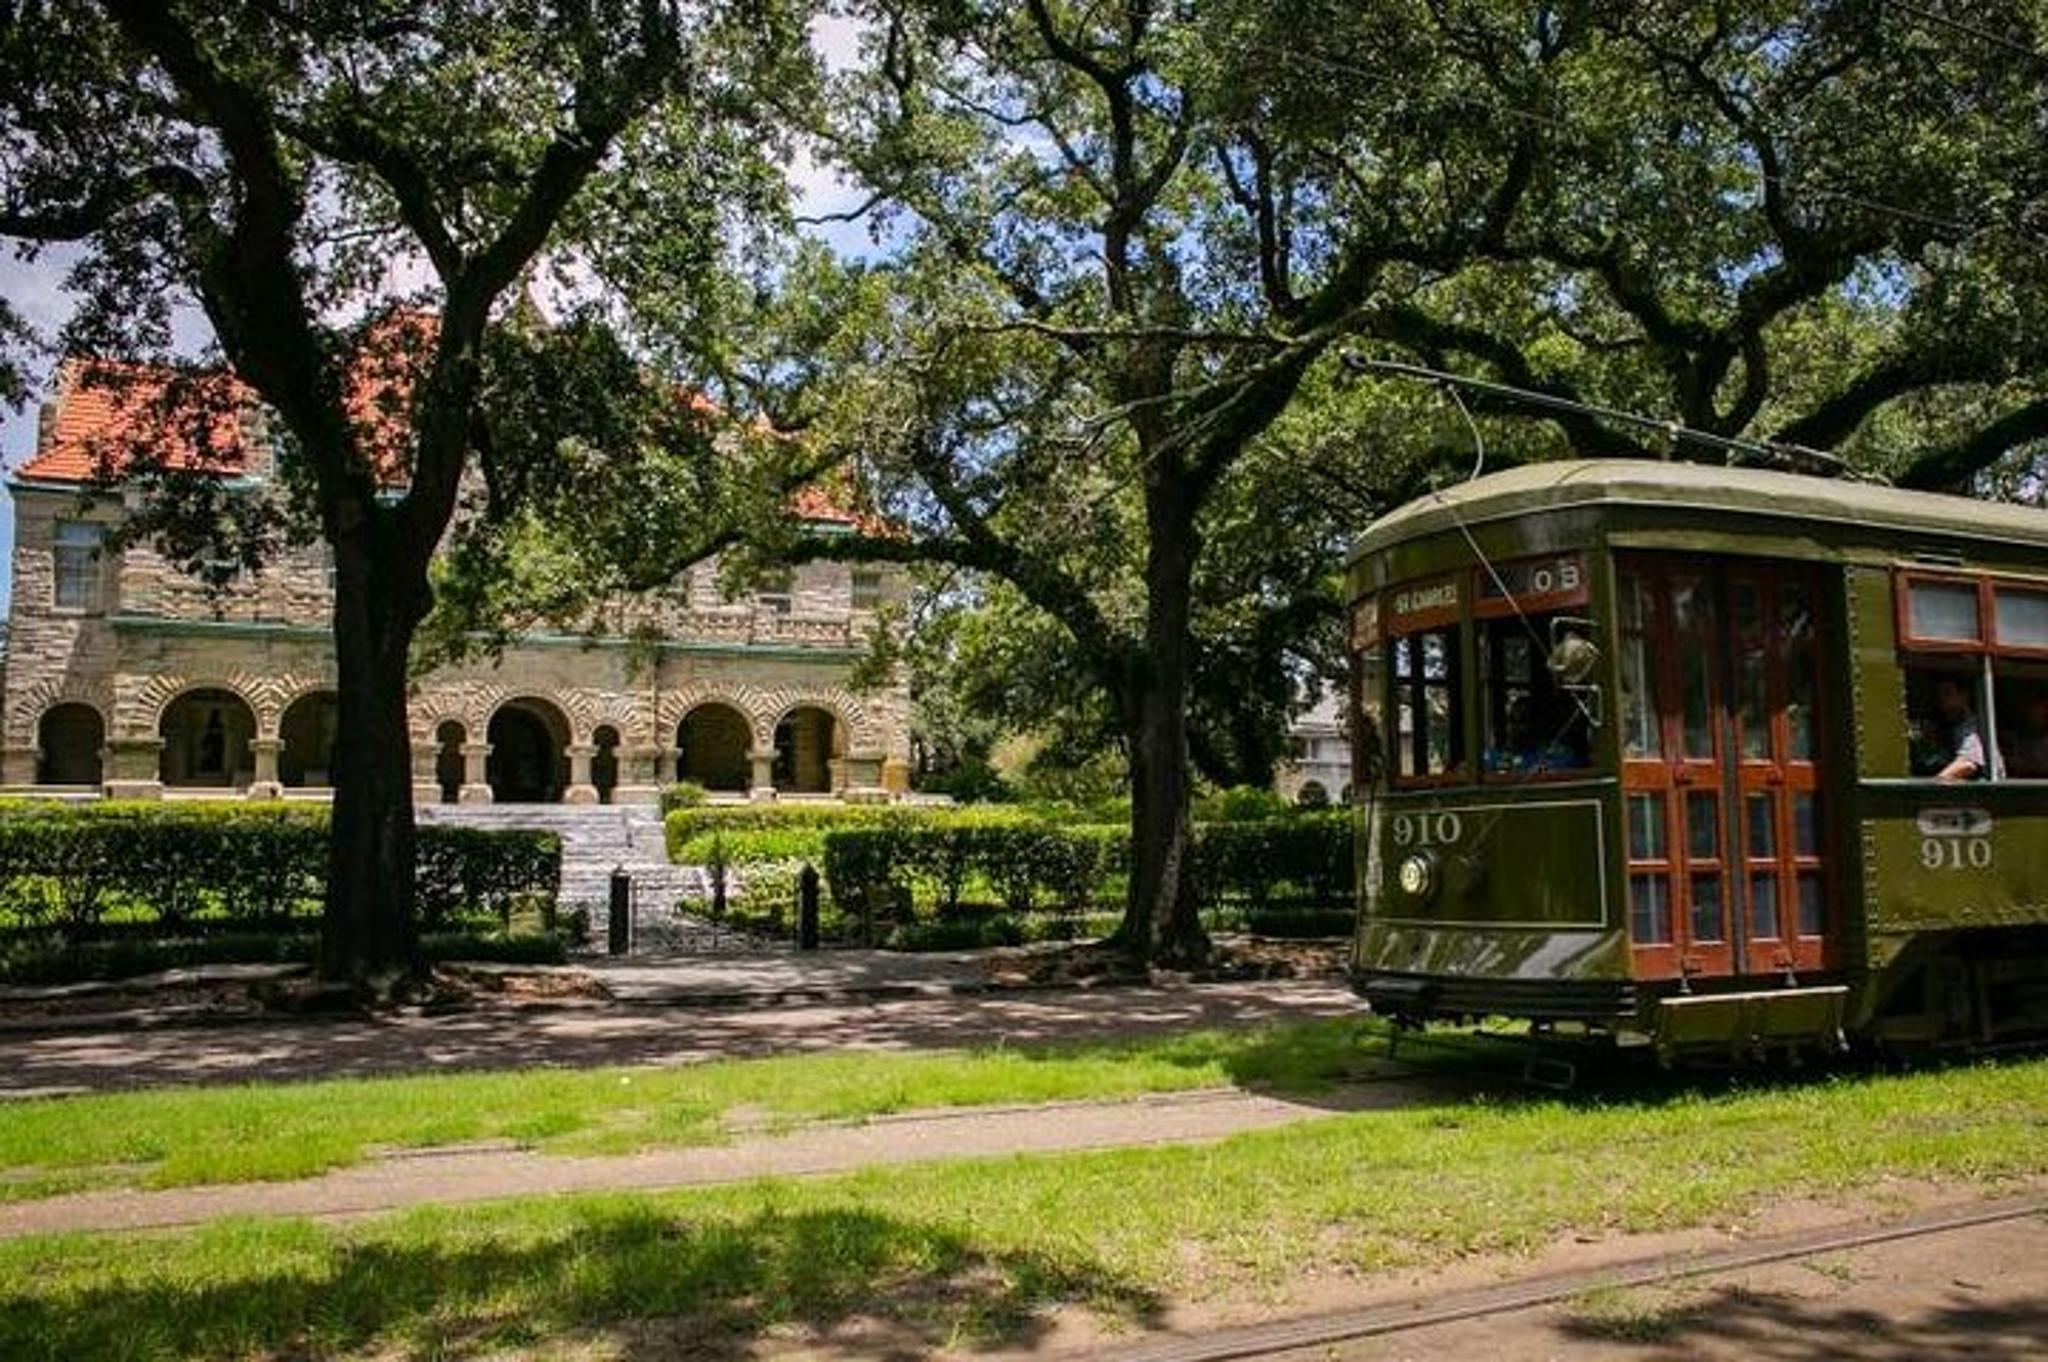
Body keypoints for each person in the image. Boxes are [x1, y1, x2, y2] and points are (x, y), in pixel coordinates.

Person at [1928, 676, 1986, 782]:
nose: (1943, 701)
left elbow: (1967, 764)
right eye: (1939, 696)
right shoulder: (1951, 727)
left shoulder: (1970, 725)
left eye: (1947, 693)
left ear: (1964, 696)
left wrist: (1932, 785)